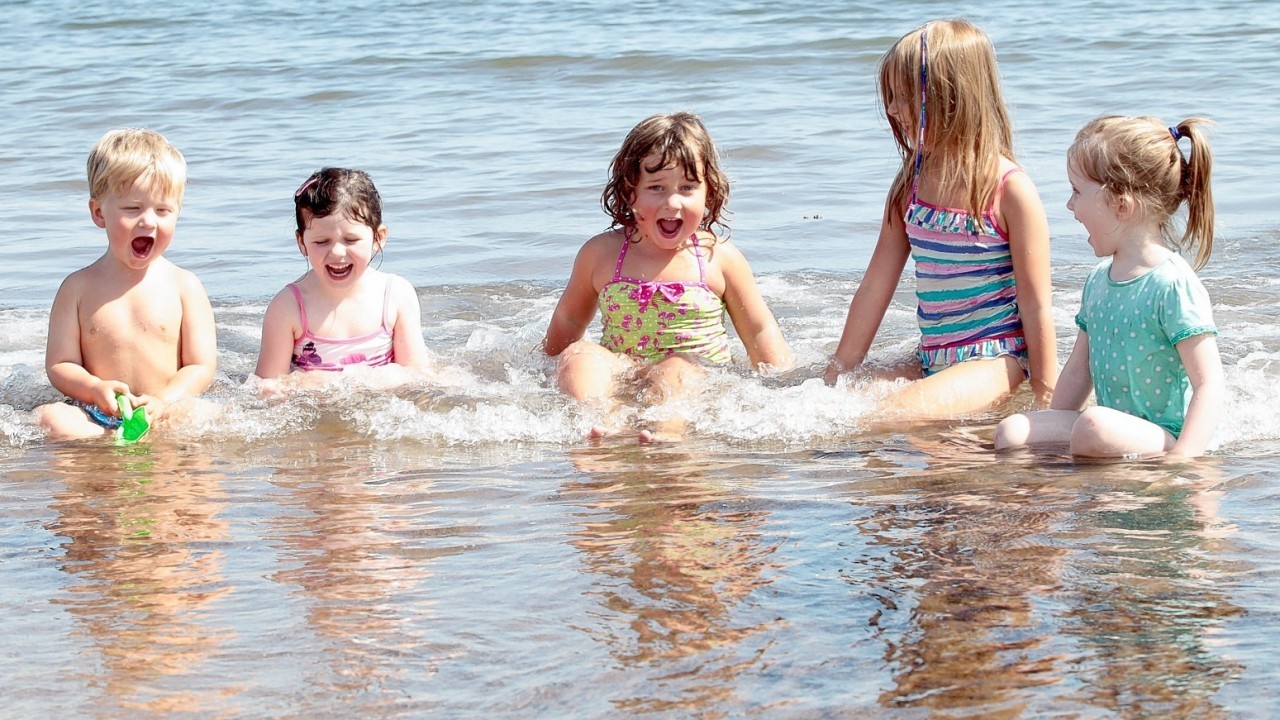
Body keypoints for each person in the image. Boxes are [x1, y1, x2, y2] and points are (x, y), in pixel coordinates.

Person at [825, 19, 1056, 418]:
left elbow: (1037, 307)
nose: (893, 110)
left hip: (997, 359)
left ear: (950, 98)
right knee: (846, 402)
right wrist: (836, 374)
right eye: (890, 97)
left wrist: (1048, 401)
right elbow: (874, 287)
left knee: (891, 415)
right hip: (933, 354)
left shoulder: (1009, 190)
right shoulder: (909, 185)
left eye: (902, 97)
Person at [542, 112, 792, 439]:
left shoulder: (718, 257)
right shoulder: (601, 254)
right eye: (656, 187)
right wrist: (548, 368)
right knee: (580, 356)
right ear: (629, 193)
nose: (672, 202)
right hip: (622, 372)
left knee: (674, 370)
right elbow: (569, 322)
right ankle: (597, 425)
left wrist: (782, 386)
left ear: (709, 193)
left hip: (692, 377)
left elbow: (759, 330)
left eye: (687, 188)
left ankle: (666, 433)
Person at [995, 116, 1223, 458]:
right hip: (1108, 430)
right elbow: (1079, 367)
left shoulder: (1172, 283)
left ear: (1121, 204)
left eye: (1076, 192)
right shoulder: (1099, 279)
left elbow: (1210, 383)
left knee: (1094, 427)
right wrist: (1053, 424)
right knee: (1012, 432)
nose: (1070, 206)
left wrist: (1183, 462)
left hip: (1168, 437)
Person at [36, 128, 218, 440]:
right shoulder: (77, 289)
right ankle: (91, 470)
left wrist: (164, 401)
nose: (148, 221)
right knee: (50, 418)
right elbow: (60, 364)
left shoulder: (184, 286)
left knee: (207, 415)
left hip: (164, 410)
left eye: (162, 210)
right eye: (132, 209)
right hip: (98, 414)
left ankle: (186, 488)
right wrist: (94, 389)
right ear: (98, 212)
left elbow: (201, 366)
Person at [254, 167, 429, 383]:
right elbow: (266, 387)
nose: (337, 252)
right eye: (321, 242)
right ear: (302, 243)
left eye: (351, 240)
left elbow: (418, 374)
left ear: (378, 238)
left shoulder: (396, 295)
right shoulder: (288, 307)